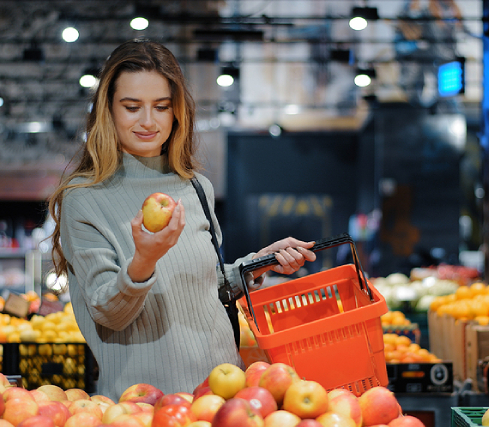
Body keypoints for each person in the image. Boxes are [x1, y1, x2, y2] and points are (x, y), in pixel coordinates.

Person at [48, 39, 317, 401]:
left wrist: (257, 263)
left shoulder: (195, 187)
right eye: (132, 107)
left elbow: (206, 287)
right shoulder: (84, 197)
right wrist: (144, 260)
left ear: (177, 112)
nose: (148, 121)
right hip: (144, 408)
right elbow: (107, 312)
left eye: (161, 107)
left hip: (223, 399)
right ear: (107, 110)